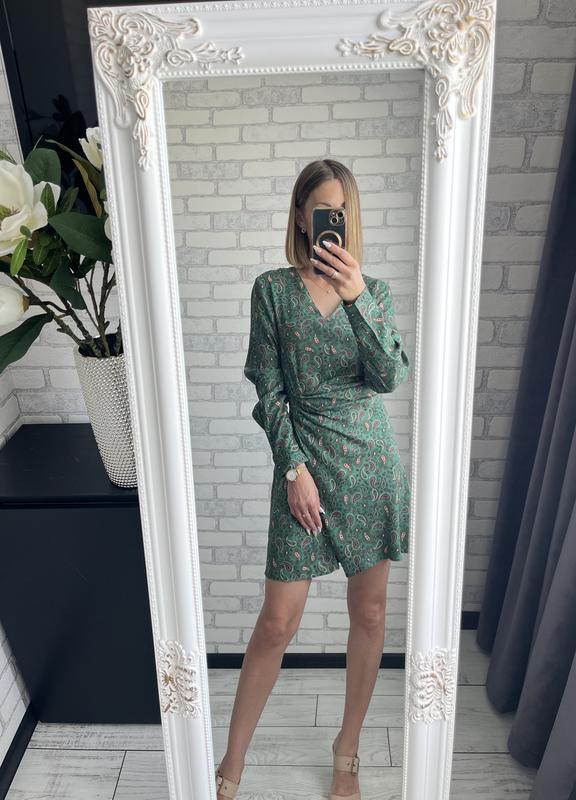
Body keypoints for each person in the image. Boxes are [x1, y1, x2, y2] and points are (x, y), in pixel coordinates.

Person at [215, 159, 411, 800]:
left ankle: (346, 752)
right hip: (302, 459)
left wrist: (357, 301)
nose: (334, 221)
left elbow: (389, 376)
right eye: (324, 210)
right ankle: (232, 761)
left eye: (343, 212)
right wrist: (293, 469)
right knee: (278, 621)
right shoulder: (272, 290)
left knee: (370, 612)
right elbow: (269, 393)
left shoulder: (372, 292)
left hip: (368, 463)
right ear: (302, 216)